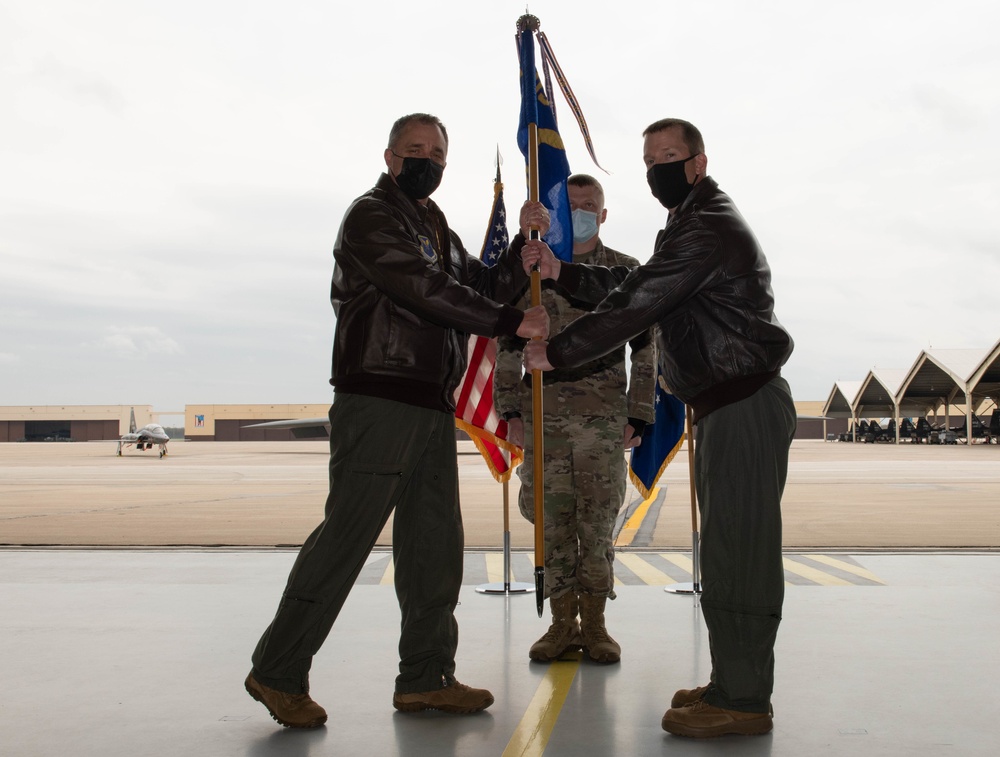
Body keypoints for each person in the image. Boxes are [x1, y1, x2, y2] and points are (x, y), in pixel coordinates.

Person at [245, 112, 551, 728]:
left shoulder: (435, 225)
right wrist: (507, 322)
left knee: (435, 546)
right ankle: (278, 669)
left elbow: (481, 284)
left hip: (429, 403)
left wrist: (523, 250)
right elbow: (419, 287)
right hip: (379, 395)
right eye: (415, 150)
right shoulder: (371, 216)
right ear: (389, 157)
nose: (427, 161)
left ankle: (426, 677)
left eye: (437, 153)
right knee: (348, 536)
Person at [521, 118, 796, 738]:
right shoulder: (690, 223)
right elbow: (635, 284)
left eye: (670, 156)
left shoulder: (708, 225)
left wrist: (558, 352)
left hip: (744, 402)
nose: (659, 168)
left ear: (698, 162)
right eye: (650, 159)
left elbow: (642, 300)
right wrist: (565, 275)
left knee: (741, 552)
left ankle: (746, 698)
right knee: (726, 549)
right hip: (726, 404)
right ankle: (732, 679)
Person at [493, 173, 656, 664]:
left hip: (603, 421)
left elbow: (647, 347)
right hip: (542, 419)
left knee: (598, 523)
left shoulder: (626, 271)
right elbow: (507, 342)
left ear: (603, 214)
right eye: (574, 204)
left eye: (591, 204)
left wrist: (640, 413)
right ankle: (562, 625)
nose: (582, 210)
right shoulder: (533, 272)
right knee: (551, 524)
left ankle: (597, 626)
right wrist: (510, 411)